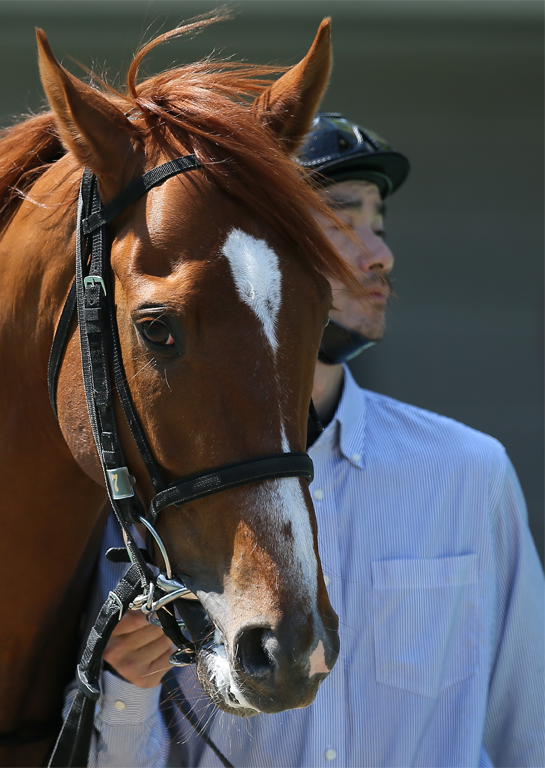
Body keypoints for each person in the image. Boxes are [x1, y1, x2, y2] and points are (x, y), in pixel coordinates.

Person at [83, 113, 545, 767]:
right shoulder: (150, 498)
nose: (379, 253)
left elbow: (531, 732)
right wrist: (127, 687)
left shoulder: (472, 473)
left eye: (378, 225)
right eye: (340, 219)